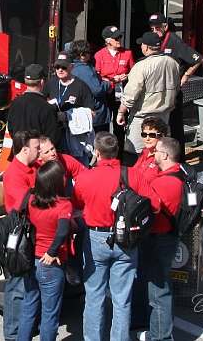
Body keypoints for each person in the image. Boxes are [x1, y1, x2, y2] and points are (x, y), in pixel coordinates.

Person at [74, 133, 146, 341]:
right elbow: (153, 205)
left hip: (96, 238)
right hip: (126, 240)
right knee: (122, 299)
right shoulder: (132, 175)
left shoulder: (86, 177)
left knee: (94, 296)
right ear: (117, 151)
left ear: (97, 153)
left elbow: (76, 204)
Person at [16, 161, 72, 341]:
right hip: (51, 265)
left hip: (31, 259)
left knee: (28, 307)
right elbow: (62, 231)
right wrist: (52, 252)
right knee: (50, 315)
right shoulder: (63, 205)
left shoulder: (31, 199)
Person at [139, 137, 184, 341]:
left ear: (164, 155)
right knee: (163, 285)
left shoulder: (160, 183)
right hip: (172, 236)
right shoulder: (183, 174)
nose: (153, 153)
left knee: (157, 292)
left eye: (156, 151)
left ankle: (160, 337)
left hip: (158, 239)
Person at [0, 130, 41, 341]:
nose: (39, 150)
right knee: (18, 283)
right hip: (20, 232)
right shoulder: (14, 174)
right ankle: (13, 332)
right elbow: (27, 205)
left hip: (34, 230)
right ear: (25, 150)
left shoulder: (34, 167)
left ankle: (29, 324)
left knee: (32, 280)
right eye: (36, 147)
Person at [116, 32, 181, 153]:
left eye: (142, 45)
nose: (141, 47)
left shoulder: (141, 66)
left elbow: (131, 94)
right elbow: (177, 88)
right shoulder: (173, 63)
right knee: (160, 150)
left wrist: (121, 113)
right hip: (164, 116)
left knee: (139, 152)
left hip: (143, 118)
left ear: (146, 46)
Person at [148, 15, 203, 148]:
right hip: (159, 91)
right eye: (152, 29)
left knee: (175, 126)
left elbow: (198, 59)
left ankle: (178, 158)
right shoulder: (156, 41)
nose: (155, 31)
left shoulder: (174, 41)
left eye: (157, 28)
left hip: (173, 92)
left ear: (165, 27)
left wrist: (185, 76)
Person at [46, 52, 95, 161]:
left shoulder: (81, 86)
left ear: (71, 66)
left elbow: (92, 114)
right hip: (55, 134)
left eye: (63, 67)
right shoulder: (51, 83)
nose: (60, 70)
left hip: (74, 137)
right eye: (57, 67)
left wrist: (68, 116)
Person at [6, 64, 60, 151]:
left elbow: (11, 129)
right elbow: (53, 137)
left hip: (19, 153)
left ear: (25, 80)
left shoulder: (14, 103)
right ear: (42, 82)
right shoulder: (46, 108)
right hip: (38, 157)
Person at [94, 26, 134, 138]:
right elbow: (96, 77)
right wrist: (111, 79)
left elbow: (134, 72)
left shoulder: (127, 53)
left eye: (119, 37)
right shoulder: (99, 55)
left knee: (120, 124)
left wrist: (126, 76)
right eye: (116, 38)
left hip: (120, 93)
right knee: (103, 124)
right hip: (106, 93)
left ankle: (120, 153)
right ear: (107, 41)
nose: (119, 40)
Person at [70, 40, 113, 133]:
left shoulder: (73, 68)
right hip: (94, 115)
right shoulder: (85, 70)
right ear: (82, 54)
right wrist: (107, 84)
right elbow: (97, 90)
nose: (91, 55)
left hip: (82, 113)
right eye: (89, 52)